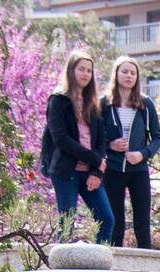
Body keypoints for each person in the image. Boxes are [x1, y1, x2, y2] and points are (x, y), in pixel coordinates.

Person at [42, 50, 113, 243]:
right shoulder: (59, 99)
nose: (85, 74)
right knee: (67, 222)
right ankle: (60, 268)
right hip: (66, 171)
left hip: (90, 171)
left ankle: (101, 264)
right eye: (81, 69)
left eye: (89, 70)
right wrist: (96, 160)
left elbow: (101, 139)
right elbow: (61, 139)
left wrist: (96, 171)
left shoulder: (94, 102)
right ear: (71, 71)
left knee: (106, 219)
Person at [101, 56, 160, 249]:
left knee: (142, 222)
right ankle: (114, 266)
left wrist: (142, 154)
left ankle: (147, 271)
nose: (129, 76)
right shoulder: (104, 103)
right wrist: (110, 145)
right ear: (116, 74)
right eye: (125, 71)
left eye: (133, 73)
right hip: (112, 169)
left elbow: (158, 138)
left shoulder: (146, 104)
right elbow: (95, 136)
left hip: (139, 170)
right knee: (115, 222)